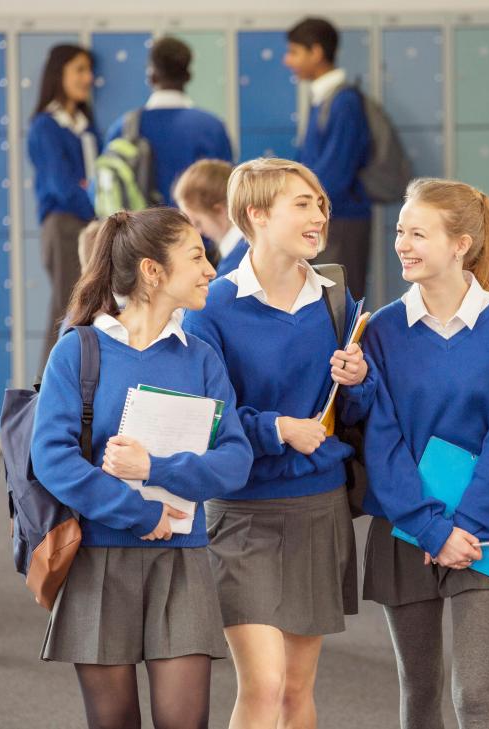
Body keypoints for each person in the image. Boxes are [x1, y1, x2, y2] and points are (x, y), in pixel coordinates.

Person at [30, 207, 253, 729]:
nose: (210, 270)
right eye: (197, 256)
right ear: (153, 271)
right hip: (99, 562)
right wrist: (135, 511)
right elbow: (53, 459)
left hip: (182, 562)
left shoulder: (200, 357)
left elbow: (236, 459)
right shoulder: (78, 351)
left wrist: (156, 467)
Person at [182, 157, 374, 729]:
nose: (319, 215)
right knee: (262, 686)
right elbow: (206, 417)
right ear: (255, 215)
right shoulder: (212, 306)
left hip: (318, 505)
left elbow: (353, 415)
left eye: (320, 204)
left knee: (295, 690)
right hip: (241, 512)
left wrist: (359, 381)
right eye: (303, 204)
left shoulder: (337, 300)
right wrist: (275, 428)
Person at [360, 177, 489, 729]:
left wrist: (468, 529)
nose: (402, 244)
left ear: (460, 244)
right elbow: (381, 439)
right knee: (420, 692)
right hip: (408, 525)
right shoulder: (382, 329)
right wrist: (432, 530)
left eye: (418, 233)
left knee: (476, 696)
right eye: (400, 232)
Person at [284, 16, 371, 299]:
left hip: (341, 219)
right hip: (326, 216)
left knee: (340, 301)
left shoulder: (344, 102)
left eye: (294, 52)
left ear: (317, 52)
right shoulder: (323, 98)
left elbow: (335, 172)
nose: (288, 61)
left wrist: (300, 205)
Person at [27, 44, 100, 372]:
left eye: (89, 70)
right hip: (66, 226)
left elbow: (95, 177)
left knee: (87, 309)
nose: (88, 78)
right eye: (80, 70)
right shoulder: (46, 125)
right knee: (67, 310)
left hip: (89, 225)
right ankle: (45, 399)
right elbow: (62, 185)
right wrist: (97, 204)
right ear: (60, 74)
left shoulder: (86, 125)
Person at [107, 36, 233, 207]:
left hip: (140, 231)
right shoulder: (212, 127)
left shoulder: (123, 127)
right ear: (188, 76)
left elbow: (105, 186)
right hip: (197, 231)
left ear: (151, 76)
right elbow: (228, 190)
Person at [173, 159, 248, 276]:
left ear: (220, 210)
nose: (198, 232)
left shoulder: (235, 266)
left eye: (198, 223)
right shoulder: (249, 248)